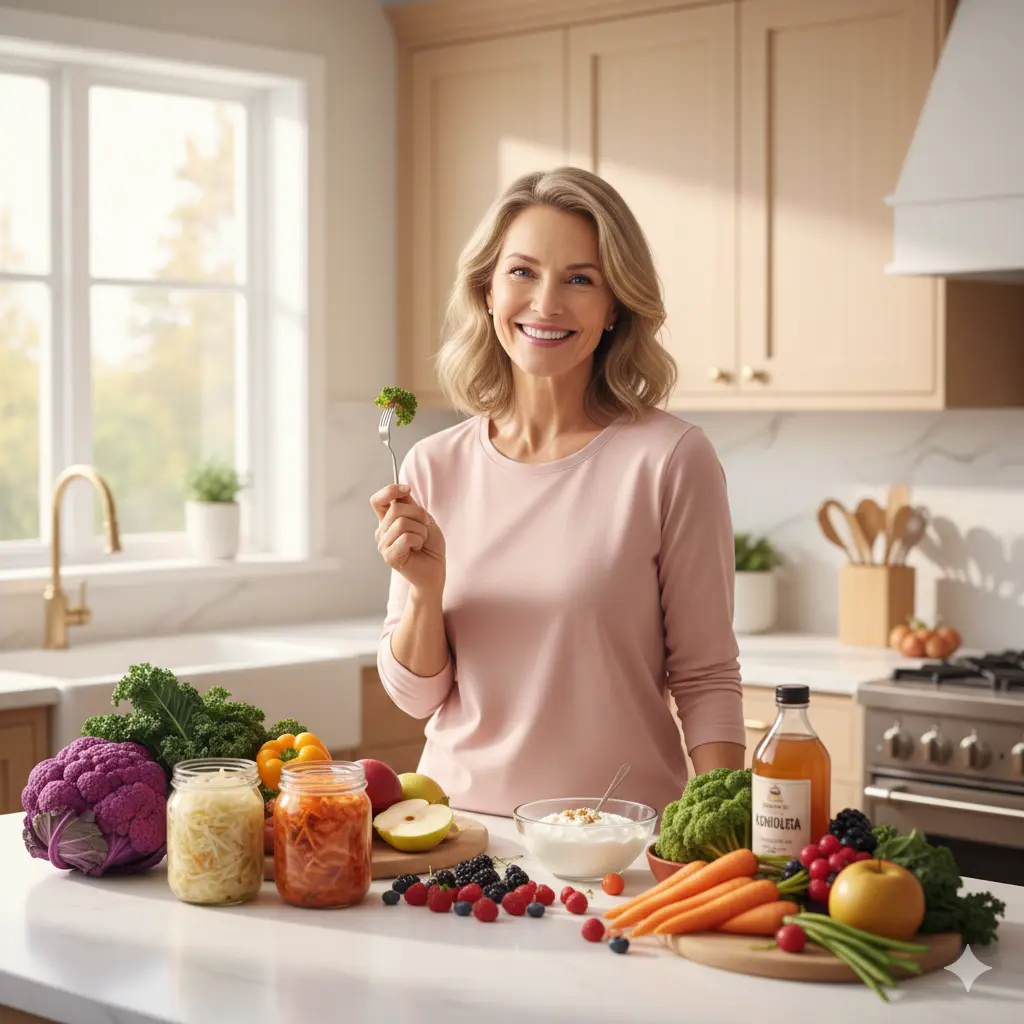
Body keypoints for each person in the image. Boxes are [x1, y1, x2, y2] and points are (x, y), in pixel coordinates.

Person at [370, 166, 745, 817]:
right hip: (458, 834)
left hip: (619, 839)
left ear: (613, 308)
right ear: (487, 291)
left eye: (580, 279)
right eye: (522, 272)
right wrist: (427, 590)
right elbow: (416, 698)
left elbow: (706, 676)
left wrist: (720, 828)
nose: (546, 303)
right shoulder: (433, 465)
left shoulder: (670, 460)